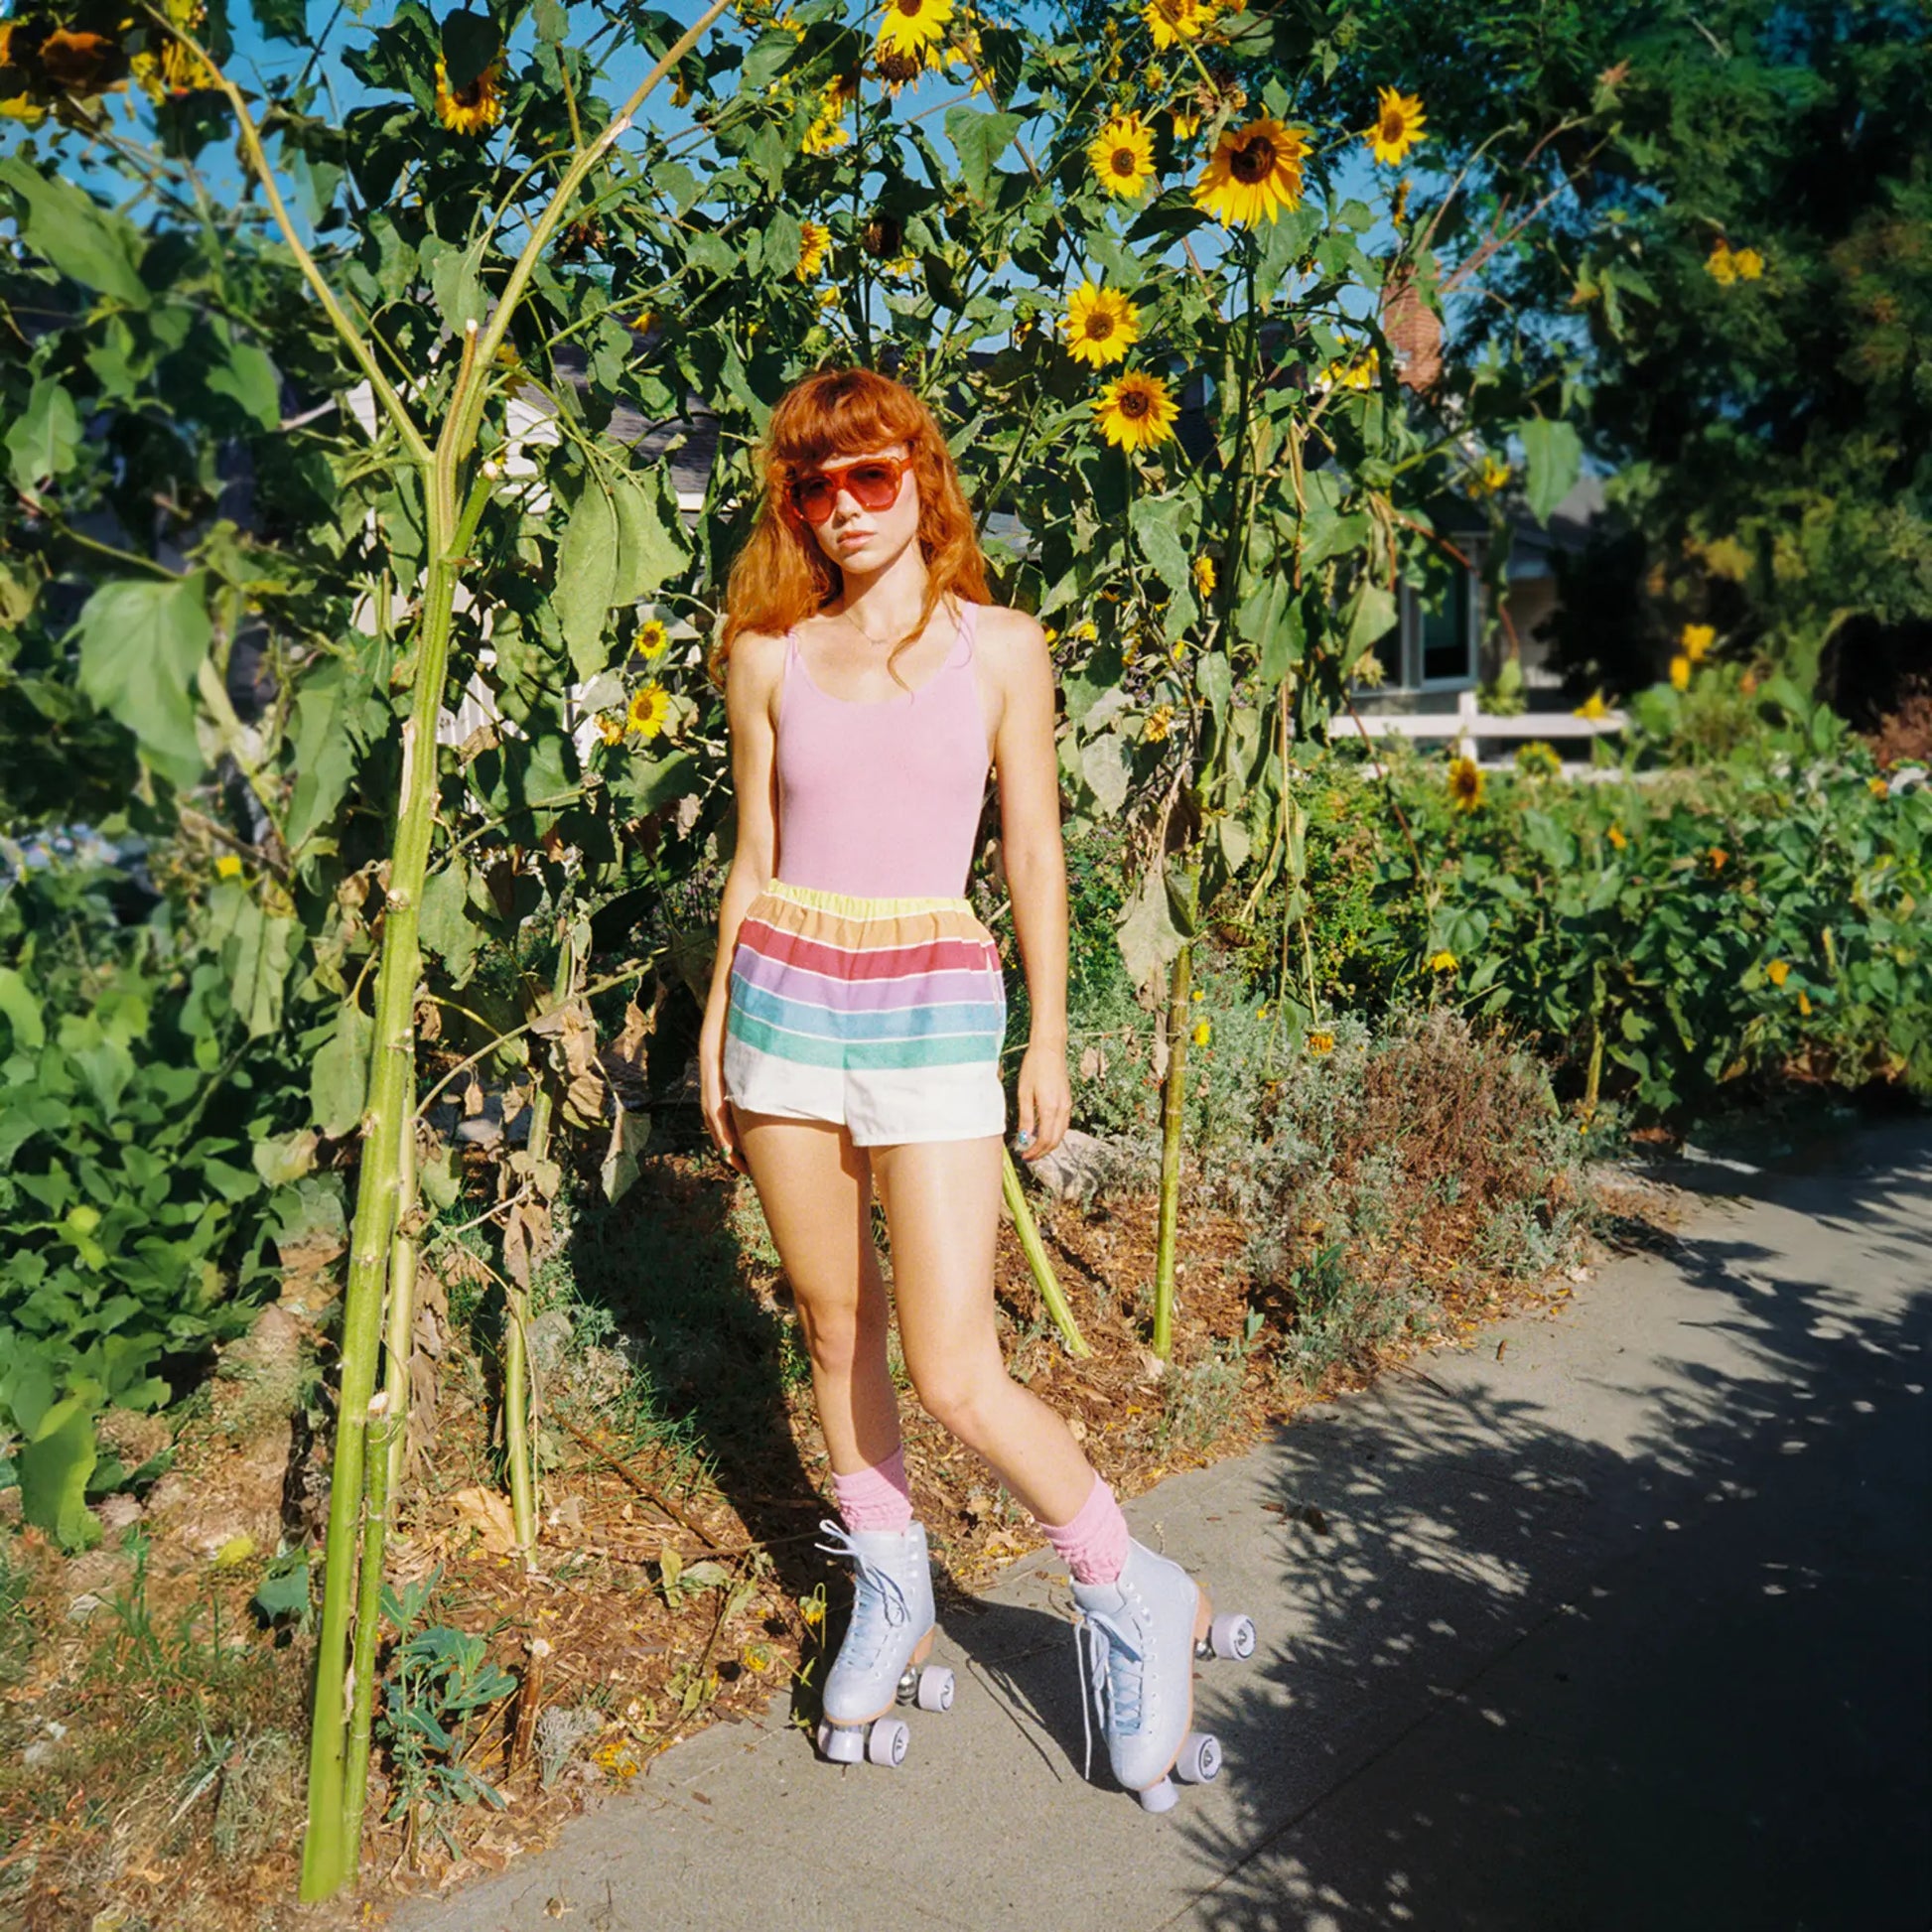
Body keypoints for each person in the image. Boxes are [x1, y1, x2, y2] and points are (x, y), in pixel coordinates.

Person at [697, 366, 1251, 1810]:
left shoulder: (1000, 646)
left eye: (867, 477)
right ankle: (890, 1582)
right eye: (813, 487)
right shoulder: (764, 647)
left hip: (935, 1002)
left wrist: (1048, 1038)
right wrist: (715, 1023)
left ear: (920, 475)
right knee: (832, 1322)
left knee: (951, 1365)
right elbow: (752, 858)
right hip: (783, 1001)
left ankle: (1127, 1587)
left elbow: (1031, 856)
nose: (840, 509)